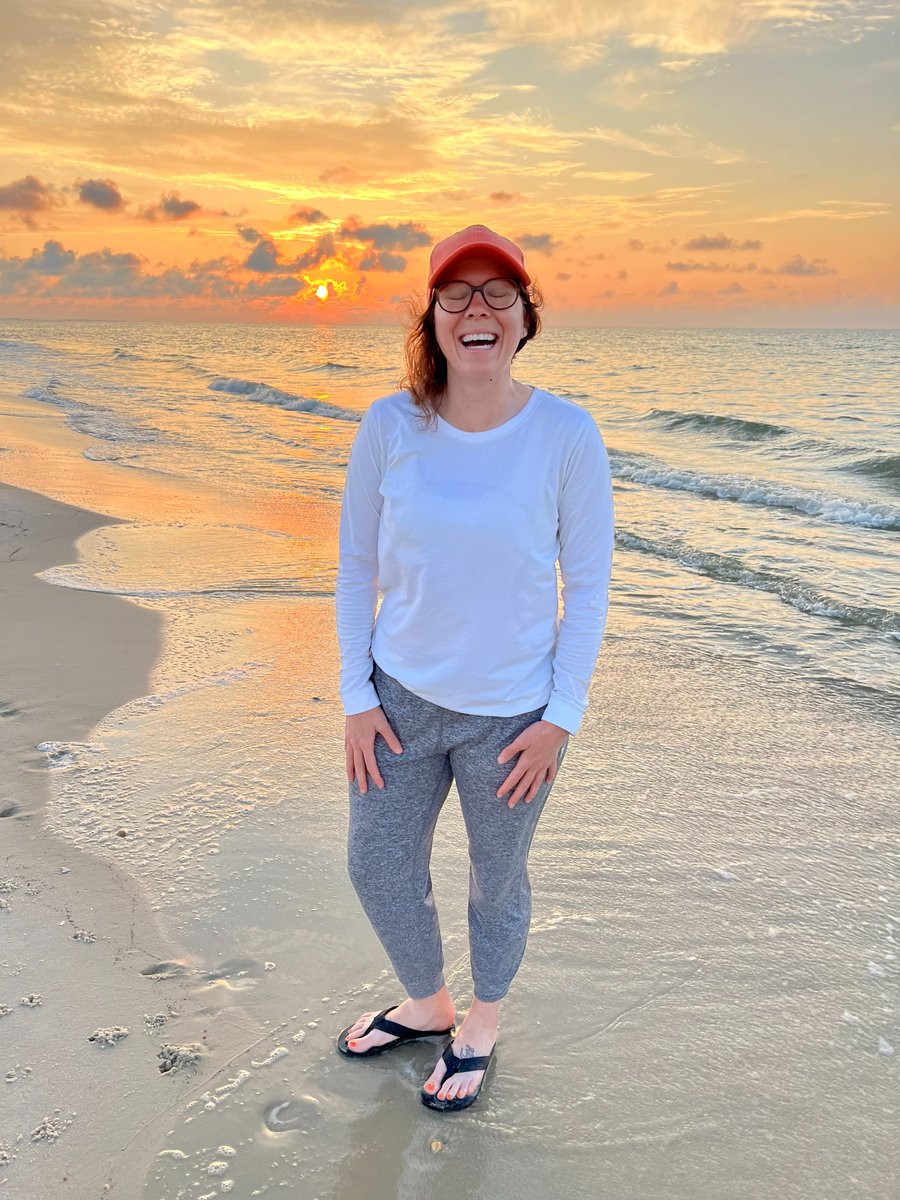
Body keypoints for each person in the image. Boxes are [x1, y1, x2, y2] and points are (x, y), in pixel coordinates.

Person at [334, 224, 615, 1113]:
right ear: (434, 316)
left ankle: (481, 1022)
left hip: (513, 721)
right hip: (398, 701)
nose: (478, 309)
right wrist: (353, 696)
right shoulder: (392, 423)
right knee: (377, 865)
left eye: (499, 293)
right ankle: (428, 1004)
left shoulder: (567, 434)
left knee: (498, 881)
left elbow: (591, 585)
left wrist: (560, 719)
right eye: (457, 293)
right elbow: (353, 567)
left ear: (526, 317)